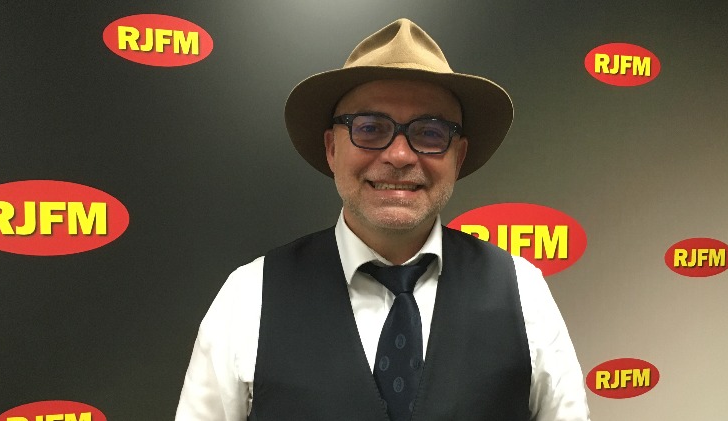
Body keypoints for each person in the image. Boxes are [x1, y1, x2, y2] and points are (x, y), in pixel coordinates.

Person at [176, 18, 590, 421]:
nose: (399, 155)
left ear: (458, 156)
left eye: (430, 133)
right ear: (332, 149)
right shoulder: (249, 296)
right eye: (370, 128)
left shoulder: (523, 292)